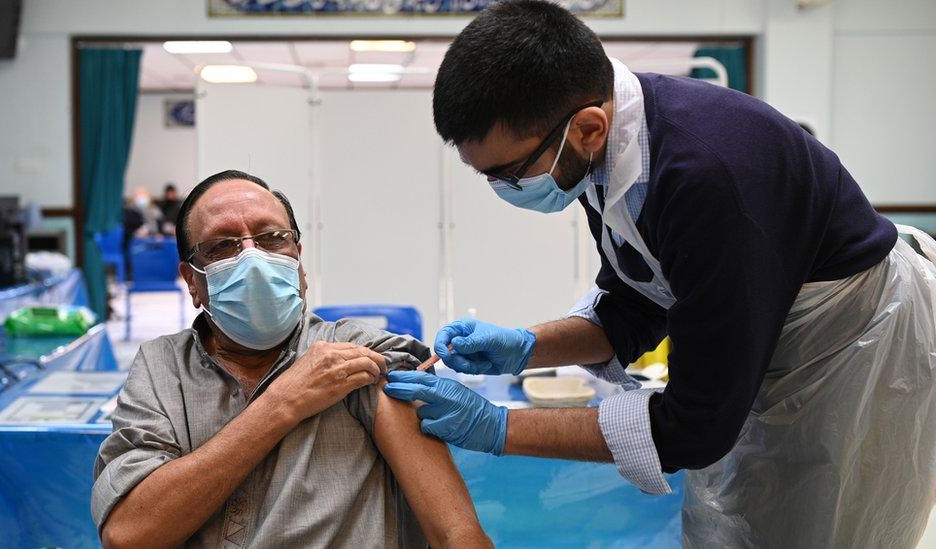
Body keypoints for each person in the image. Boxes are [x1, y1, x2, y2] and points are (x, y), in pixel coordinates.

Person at [382, 2, 936, 546]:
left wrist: (497, 426)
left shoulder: (708, 175)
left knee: (818, 529)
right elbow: (636, 302)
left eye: (511, 173)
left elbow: (694, 428)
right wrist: (527, 347)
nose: (504, 189)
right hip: (773, 349)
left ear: (589, 128)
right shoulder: (608, 151)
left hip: (855, 355)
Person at [92, 170, 489, 548]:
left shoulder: (361, 356)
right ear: (192, 281)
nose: (253, 259)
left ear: (299, 260)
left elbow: (455, 534)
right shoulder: (162, 367)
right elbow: (129, 534)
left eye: (272, 238)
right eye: (222, 246)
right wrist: (282, 403)